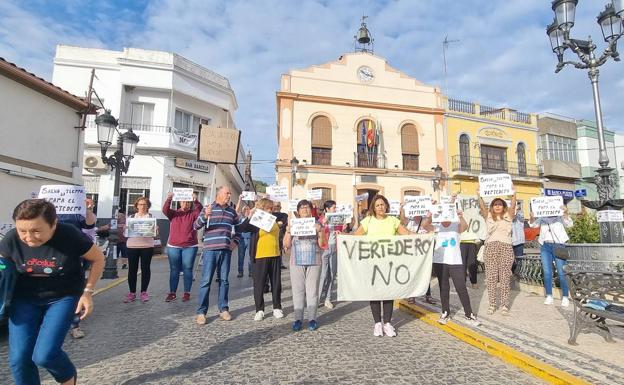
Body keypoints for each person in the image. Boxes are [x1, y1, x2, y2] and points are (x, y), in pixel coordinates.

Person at [0, 199, 105, 385]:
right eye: (22, 230)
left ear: (54, 224)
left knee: (45, 355)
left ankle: (68, 378)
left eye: (36, 231)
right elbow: (2, 265)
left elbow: (97, 258)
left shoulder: (70, 235)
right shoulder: (11, 239)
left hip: (62, 297)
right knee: (19, 359)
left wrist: (87, 293)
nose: (29, 237)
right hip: (24, 298)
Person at [352, 194, 413, 337]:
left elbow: (407, 234)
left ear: (386, 206)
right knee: (374, 293)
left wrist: (425, 236)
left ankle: (387, 323)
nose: (380, 207)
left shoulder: (393, 220)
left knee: (388, 293)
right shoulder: (368, 221)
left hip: (389, 263)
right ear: (374, 207)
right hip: (372, 263)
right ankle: (377, 324)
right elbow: (355, 237)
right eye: (378, 205)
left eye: (382, 204)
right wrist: (342, 235)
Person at [421, 201, 481, 326]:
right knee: (444, 288)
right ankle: (445, 312)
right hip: (440, 261)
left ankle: (469, 314)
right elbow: (425, 225)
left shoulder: (455, 225)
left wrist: (460, 216)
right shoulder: (437, 227)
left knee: (461, 288)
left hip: (455, 261)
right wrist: (431, 212)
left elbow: (464, 227)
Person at [193, 186, 241, 324]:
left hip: (225, 250)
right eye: (227, 193)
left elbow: (239, 229)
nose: (229, 196)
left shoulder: (232, 211)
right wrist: (204, 216)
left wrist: (235, 242)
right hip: (210, 250)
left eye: (230, 194)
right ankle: (201, 312)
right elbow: (195, 226)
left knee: (224, 281)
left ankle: (223, 309)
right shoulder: (208, 208)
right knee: (206, 281)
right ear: (218, 194)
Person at [283, 200, 325, 331]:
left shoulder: (317, 224)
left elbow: (322, 244)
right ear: (298, 211)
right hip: (296, 261)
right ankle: (298, 319)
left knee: (312, 291)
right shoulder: (293, 224)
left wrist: (321, 232)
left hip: (314, 260)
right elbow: (286, 244)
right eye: (302, 208)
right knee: (298, 290)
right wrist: (288, 232)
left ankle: (312, 318)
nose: (305, 209)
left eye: (307, 207)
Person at [238, 198, 283, 321]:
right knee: (259, 283)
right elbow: (242, 228)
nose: (271, 210)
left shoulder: (276, 218)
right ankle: (259, 309)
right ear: (263, 208)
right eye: (268, 208)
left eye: (272, 208)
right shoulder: (256, 221)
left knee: (276, 282)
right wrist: (250, 215)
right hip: (260, 255)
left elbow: (285, 220)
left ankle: (277, 307)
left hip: (275, 254)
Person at [57, 198, 96, 340]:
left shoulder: (77, 214)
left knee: (74, 291)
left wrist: (89, 209)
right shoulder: (47, 213)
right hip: (51, 256)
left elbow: (90, 225)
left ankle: (74, 325)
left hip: (74, 257)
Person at [478, 188, 517, 316]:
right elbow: (482, 207)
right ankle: (492, 304)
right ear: (492, 207)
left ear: (503, 206)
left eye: (500, 204)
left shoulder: (509, 216)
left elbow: (513, 205)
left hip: (506, 247)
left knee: (505, 277)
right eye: (495, 204)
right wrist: (479, 194)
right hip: (491, 248)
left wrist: (514, 194)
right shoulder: (488, 216)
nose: (498, 206)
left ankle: (504, 304)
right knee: (491, 277)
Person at [529, 205, 573, 307]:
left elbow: (569, 224)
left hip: (558, 245)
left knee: (561, 271)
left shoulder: (559, 217)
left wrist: (565, 212)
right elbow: (533, 225)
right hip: (545, 246)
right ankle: (549, 295)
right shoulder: (542, 218)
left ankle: (565, 296)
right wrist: (532, 216)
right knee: (547, 271)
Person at [163, 191, 203, 302]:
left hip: (190, 246)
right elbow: (165, 210)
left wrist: (196, 201)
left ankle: (187, 293)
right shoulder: (174, 213)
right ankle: (172, 293)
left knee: (188, 269)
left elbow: (200, 211)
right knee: (174, 270)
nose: (185, 204)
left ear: (190, 203)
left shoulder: (193, 213)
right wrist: (169, 198)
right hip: (173, 246)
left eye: (187, 202)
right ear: (180, 202)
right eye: (183, 201)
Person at [124, 197, 158, 303]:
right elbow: (126, 233)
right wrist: (126, 230)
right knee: (132, 270)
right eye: (140, 204)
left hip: (147, 246)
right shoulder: (131, 217)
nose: (142, 206)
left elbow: (155, 235)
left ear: (148, 206)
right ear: (136, 205)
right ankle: (132, 293)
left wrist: (156, 231)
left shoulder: (151, 217)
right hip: (132, 246)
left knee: (145, 269)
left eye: (144, 204)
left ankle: (144, 292)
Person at [400, 209, 436, 305]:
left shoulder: (425, 221)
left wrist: (430, 213)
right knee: (412, 274)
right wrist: (402, 209)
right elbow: (402, 219)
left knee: (426, 274)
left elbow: (430, 222)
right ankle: (411, 296)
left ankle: (428, 295)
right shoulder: (409, 222)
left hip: (424, 254)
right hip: (412, 254)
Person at [318, 200, 343, 309]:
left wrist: (341, 229)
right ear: (327, 209)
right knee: (323, 275)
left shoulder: (337, 219)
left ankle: (327, 298)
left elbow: (341, 230)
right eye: (334, 208)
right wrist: (323, 224)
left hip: (334, 248)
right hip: (324, 249)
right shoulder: (320, 220)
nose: (335, 210)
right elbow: (318, 231)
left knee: (332, 274)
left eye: (336, 208)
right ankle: (317, 298)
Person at [272, 202, 288, 270]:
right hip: (271, 235)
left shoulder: (284, 215)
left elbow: (282, 223)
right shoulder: (270, 214)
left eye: (278, 206)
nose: (276, 207)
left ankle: (280, 263)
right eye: (274, 206)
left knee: (280, 249)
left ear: (280, 207)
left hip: (280, 234)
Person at [237, 205, 252, 278]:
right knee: (241, 256)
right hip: (241, 239)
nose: (246, 211)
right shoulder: (240, 218)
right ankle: (240, 271)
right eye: (245, 209)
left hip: (249, 238)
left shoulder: (252, 218)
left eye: (248, 209)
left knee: (250, 256)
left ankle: (251, 272)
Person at [511, 205, 525, 274]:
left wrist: (516, 211)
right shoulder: (506, 215)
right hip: (509, 241)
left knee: (519, 259)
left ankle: (519, 274)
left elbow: (521, 219)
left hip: (519, 241)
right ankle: (512, 272)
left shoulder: (520, 214)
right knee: (510, 259)